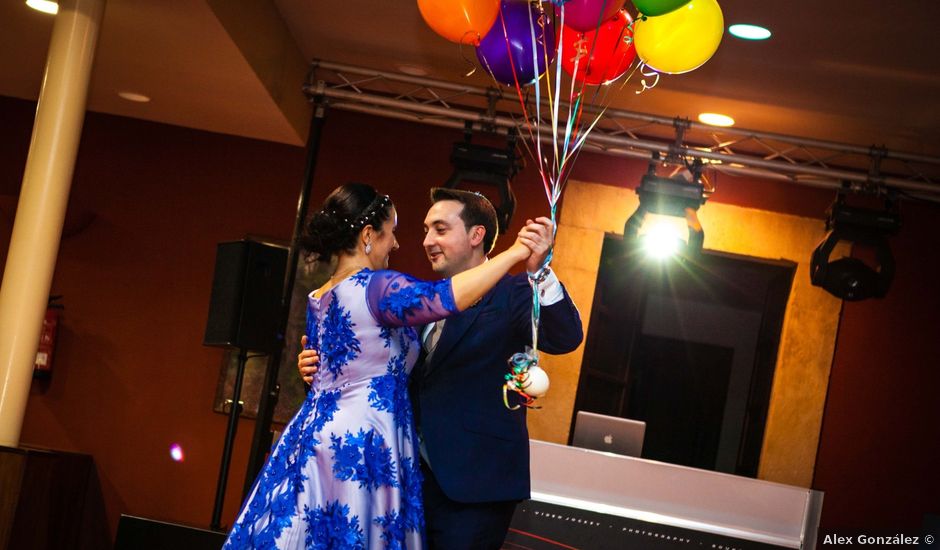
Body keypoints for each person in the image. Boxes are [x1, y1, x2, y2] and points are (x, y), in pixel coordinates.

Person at [224, 182, 543, 549]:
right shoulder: (378, 287)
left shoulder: (320, 294)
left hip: (314, 435)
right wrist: (516, 252)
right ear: (367, 235)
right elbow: (443, 299)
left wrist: (311, 366)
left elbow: (344, 362)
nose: (396, 244)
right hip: (360, 441)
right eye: (391, 233)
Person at [299, 188, 583, 549]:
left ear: (476, 235)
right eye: (425, 230)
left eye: (440, 229)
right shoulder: (419, 300)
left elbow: (567, 336)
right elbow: (373, 368)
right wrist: (315, 368)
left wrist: (539, 272)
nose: (426, 241)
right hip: (405, 484)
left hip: (475, 487)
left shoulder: (512, 293)